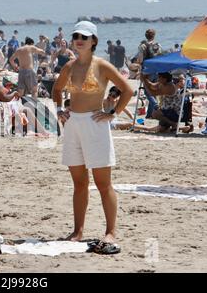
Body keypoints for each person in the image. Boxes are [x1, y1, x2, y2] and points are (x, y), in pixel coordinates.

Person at [52, 21, 133, 254]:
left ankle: (110, 231)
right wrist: (59, 110)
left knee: (103, 183)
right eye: (76, 35)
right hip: (73, 124)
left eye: (84, 37)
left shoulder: (102, 65)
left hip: (96, 124)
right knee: (79, 183)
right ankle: (78, 231)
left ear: (93, 41)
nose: (79, 39)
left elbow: (127, 89)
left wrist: (112, 114)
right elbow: (57, 89)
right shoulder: (69, 65)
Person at [0, 63, 50, 136]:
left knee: (24, 108)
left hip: (1, 109)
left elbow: (2, 96)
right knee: (26, 109)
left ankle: (31, 131)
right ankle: (40, 131)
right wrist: (14, 93)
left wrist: (8, 88)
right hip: (5, 110)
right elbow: (5, 98)